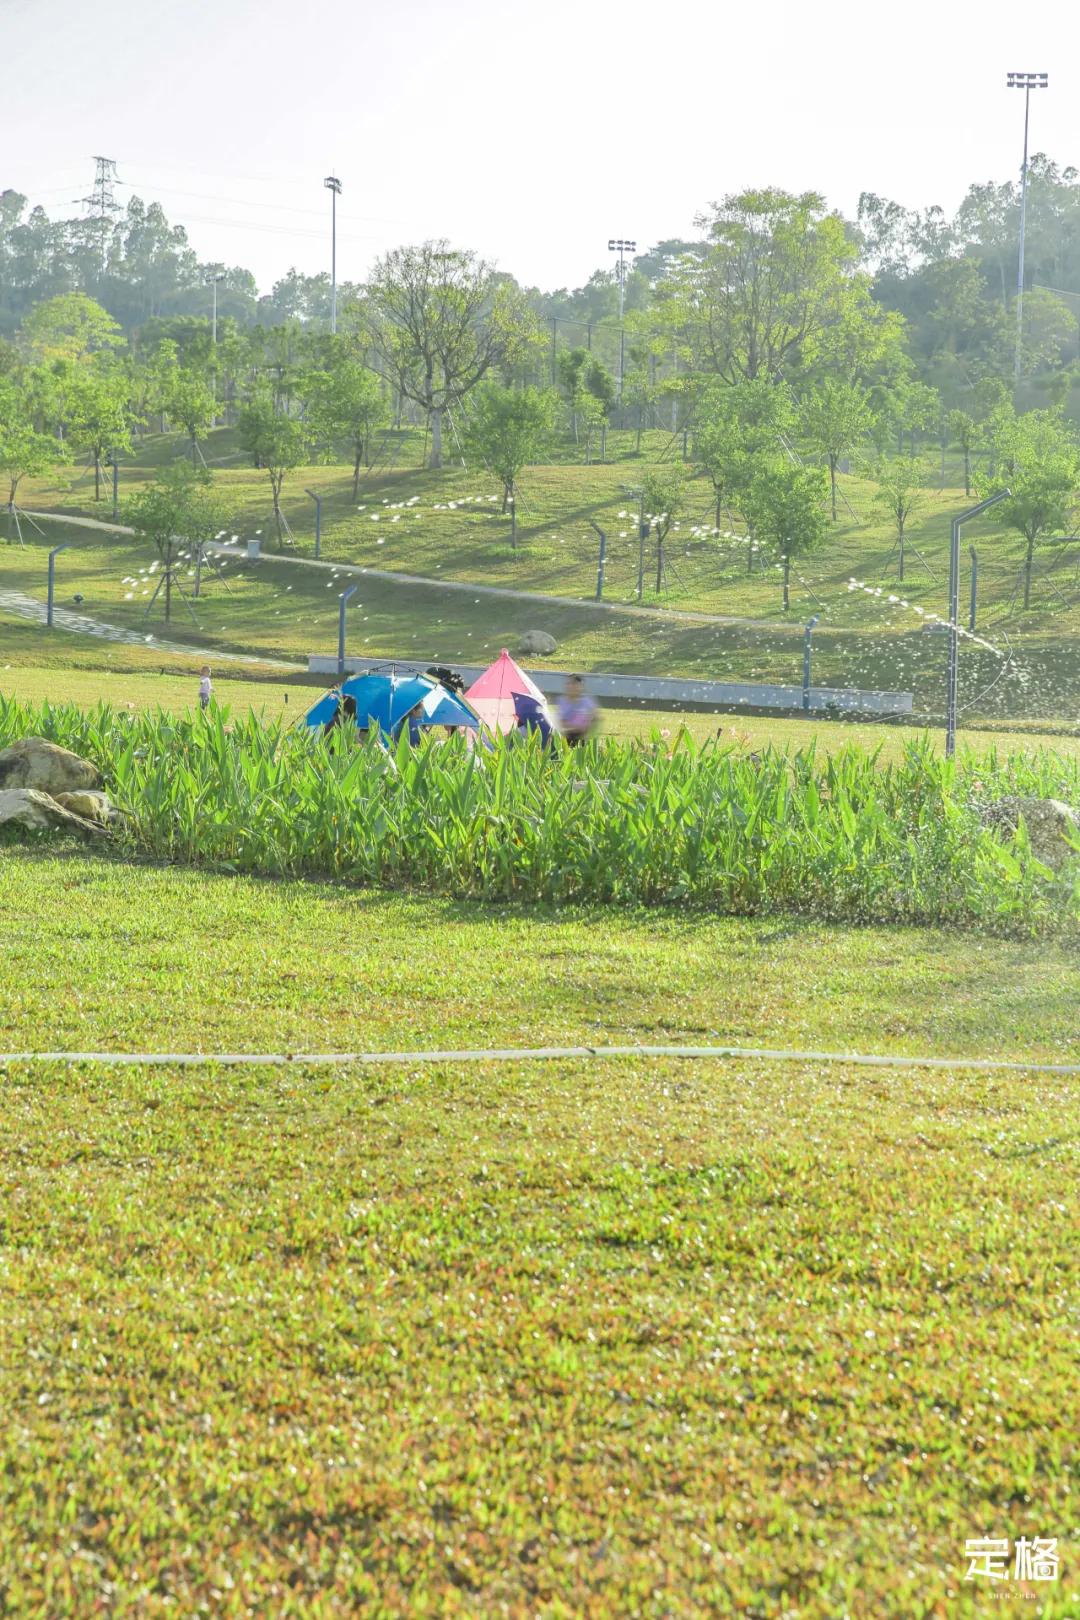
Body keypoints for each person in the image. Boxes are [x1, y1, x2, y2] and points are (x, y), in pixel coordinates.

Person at [557, 675, 598, 747]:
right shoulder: (562, 701)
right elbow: (561, 722)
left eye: (574, 684)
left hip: (582, 737)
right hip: (566, 738)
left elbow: (593, 719)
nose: (571, 687)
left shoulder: (586, 702)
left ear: (581, 686)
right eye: (569, 684)